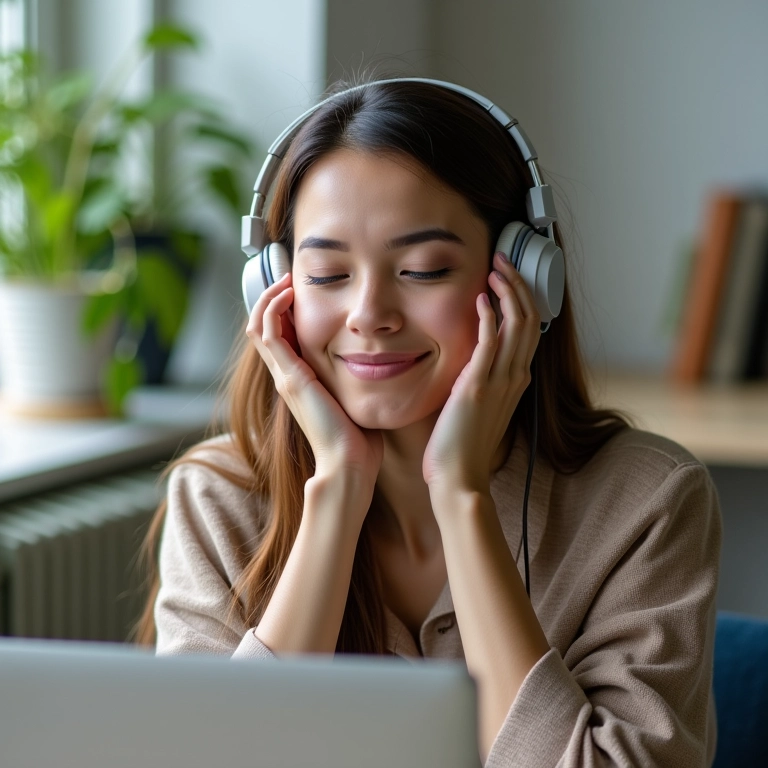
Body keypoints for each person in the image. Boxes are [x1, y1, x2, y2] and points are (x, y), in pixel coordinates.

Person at [134, 76, 722, 767]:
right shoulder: (220, 498)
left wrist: (462, 497)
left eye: (423, 269)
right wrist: (337, 493)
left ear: (527, 280)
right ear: (273, 290)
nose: (369, 314)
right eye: (326, 275)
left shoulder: (647, 503)